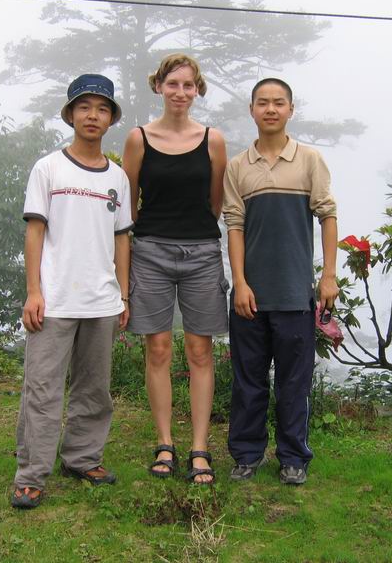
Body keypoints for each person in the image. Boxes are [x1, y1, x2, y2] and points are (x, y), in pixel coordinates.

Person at [11, 74, 132, 509]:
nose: (93, 115)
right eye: (84, 107)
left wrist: (123, 293)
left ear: (111, 118)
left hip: (101, 300)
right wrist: (33, 291)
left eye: (102, 109)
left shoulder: (118, 177)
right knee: (42, 389)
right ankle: (31, 474)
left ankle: (82, 458)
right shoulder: (48, 168)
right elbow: (35, 231)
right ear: (70, 114)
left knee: (94, 388)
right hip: (55, 299)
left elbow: (122, 238)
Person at [222, 78, 338, 485]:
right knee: (248, 383)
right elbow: (234, 225)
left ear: (291, 109)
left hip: (294, 296)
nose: (270, 109)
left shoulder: (309, 160)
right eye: (262, 103)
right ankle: (247, 455)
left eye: (279, 103)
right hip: (250, 298)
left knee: (293, 383)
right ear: (251, 110)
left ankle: (293, 458)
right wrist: (240, 282)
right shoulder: (238, 166)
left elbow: (327, 215)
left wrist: (328, 276)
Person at [122, 54, 228, 484]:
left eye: (188, 85)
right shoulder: (138, 138)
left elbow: (216, 201)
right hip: (150, 251)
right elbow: (129, 205)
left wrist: (196, 232)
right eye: (172, 84)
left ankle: (200, 448)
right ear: (159, 87)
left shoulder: (213, 140)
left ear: (197, 90)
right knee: (159, 349)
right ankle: (165, 443)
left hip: (202, 252)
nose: (180, 92)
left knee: (201, 351)